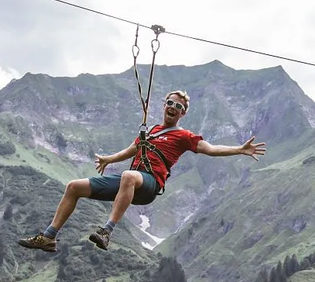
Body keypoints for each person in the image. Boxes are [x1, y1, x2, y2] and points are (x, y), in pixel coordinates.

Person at [18, 89, 266, 253]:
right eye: (169, 103)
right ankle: (49, 237)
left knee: (128, 176)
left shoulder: (183, 136)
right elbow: (131, 150)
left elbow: (209, 149)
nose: (172, 107)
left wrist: (239, 149)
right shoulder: (150, 131)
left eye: (178, 106)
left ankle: (107, 231)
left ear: (183, 113)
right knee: (74, 186)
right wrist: (108, 158)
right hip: (130, 181)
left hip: (149, 184)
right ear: (164, 105)